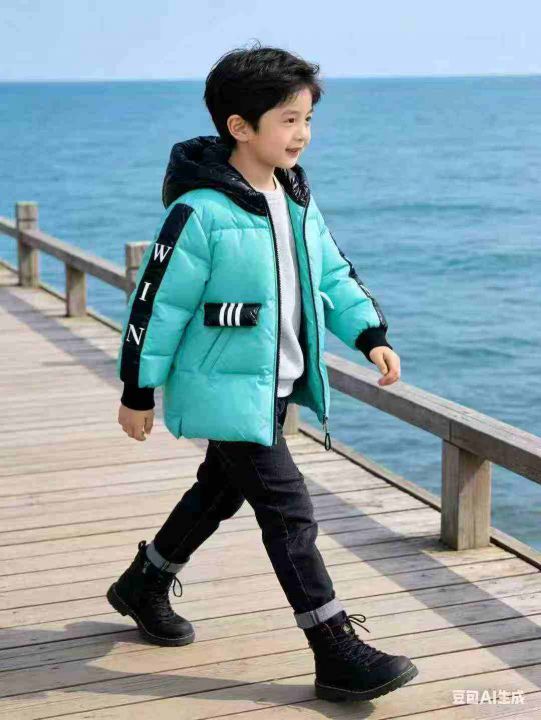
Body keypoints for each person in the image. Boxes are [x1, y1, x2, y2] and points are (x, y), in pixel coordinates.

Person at [107, 42, 417, 702]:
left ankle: (144, 581)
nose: (302, 134)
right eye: (288, 119)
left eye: (308, 120)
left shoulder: (296, 197)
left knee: (219, 491)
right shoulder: (199, 212)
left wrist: (369, 333)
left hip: (272, 387)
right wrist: (137, 389)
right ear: (239, 127)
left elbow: (332, 271)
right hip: (223, 387)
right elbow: (157, 304)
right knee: (288, 510)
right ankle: (334, 649)